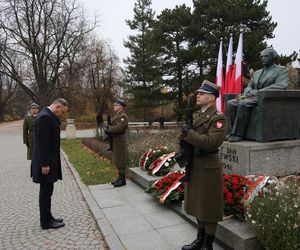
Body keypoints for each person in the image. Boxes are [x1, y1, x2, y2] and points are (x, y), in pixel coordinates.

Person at [179, 80, 227, 250]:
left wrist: (189, 133)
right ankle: (199, 240)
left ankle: (207, 244)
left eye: (201, 93)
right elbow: (188, 137)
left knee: (209, 208)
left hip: (208, 168)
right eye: (198, 93)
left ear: (212, 97)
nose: (197, 95)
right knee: (198, 204)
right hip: (195, 165)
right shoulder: (197, 115)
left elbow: (211, 143)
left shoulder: (218, 118)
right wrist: (182, 142)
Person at [226, 47, 289, 142]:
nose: (263, 58)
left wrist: (260, 91)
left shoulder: (281, 70)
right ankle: (229, 132)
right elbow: (249, 86)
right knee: (230, 103)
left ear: (272, 57)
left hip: (267, 98)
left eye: (266, 56)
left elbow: (281, 85)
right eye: (262, 57)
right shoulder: (257, 73)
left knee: (243, 103)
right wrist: (249, 90)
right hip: (252, 97)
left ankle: (238, 134)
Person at [31, 98, 69, 229]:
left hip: (49, 161)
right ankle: (45, 222)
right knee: (46, 192)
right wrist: (45, 165)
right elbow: (42, 144)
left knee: (48, 191)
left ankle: (48, 217)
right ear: (57, 107)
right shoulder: (45, 118)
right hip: (46, 163)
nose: (62, 115)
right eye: (62, 112)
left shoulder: (48, 116)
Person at [105, 99, 128, 188]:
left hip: (120, 140)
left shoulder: (123, 116)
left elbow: (119, 128)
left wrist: (108, 128)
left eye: (116, 105)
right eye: (114, 105)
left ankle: (122, 179)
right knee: (117, 159)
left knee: (121, 159)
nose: (114, 107)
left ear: (121, 106)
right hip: (116, 140)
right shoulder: (118, 115)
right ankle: (119, 177)